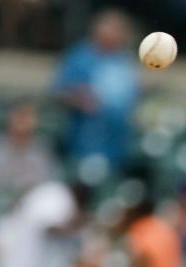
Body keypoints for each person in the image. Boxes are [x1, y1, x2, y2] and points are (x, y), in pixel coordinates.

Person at [54, 9, 139, 170]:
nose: (119, 35)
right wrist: (80, 99)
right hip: (85, 143)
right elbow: (59, 92)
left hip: (117, 146)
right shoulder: (80, 57)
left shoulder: (124, 60)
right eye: (114, 29)